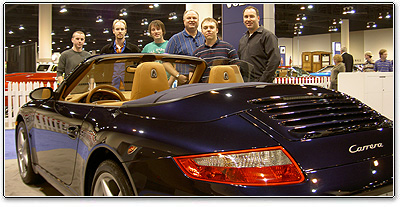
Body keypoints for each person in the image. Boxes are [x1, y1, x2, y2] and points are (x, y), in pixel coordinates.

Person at [238, 6, 280, 83]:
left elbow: (274, 60)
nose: (248, 19)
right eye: (246, 17)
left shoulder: (267, 36)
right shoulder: (242, 40)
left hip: (262, 83)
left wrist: (262, 81)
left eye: (252, 16)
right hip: (245, 83)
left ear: (258, 18)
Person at [164, 9, 205, 86]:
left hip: (204, 80)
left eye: (194, 18)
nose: (192, 20)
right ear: (184, 21)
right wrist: (177, 76)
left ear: (198, 21)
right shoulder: (175, 39)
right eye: (189, 18)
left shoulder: (204, 38)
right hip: (184, 81)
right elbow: (165, 62)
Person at [100, 19, 141, 90]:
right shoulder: (105, 50)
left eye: (122, 29)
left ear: (125, 31)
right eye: (117, 29)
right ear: (113, 31)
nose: (120, 31)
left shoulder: (134, 50)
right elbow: (99, 71)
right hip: (110, 87)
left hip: (129, 86)